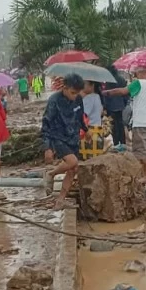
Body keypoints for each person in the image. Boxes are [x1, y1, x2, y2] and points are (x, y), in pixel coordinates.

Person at [109, 65, 146, 183]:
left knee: (140, 150)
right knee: (145, 149)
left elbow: (122, 91)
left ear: (142, 72)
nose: (135, 75)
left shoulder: (139, 83)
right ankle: (145, 173)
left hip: (141, 122)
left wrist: (107, 92)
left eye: (136, 72)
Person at [41, 73, 84, 208]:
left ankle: (60, 200)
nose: (75, 96)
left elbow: (80, 117)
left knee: (73, 169)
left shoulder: (78, 99)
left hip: (73, 137)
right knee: (72, 161)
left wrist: (85, 130)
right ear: (64, 88)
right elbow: (46, 124)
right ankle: (51, 173)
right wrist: (48, 147)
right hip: (58, 136)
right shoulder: (54, 101)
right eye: (72, 93)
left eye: (77, 93)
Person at [102, 67, 128, 149]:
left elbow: (106, 94)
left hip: (110, 106)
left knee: (113, 126)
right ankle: (123, 143)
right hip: (120, 105)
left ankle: (116, 143)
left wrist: (104, 106)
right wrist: (124, 103)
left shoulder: (108, 80)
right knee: (120, 125)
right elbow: (125, 93)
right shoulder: (122, 79)